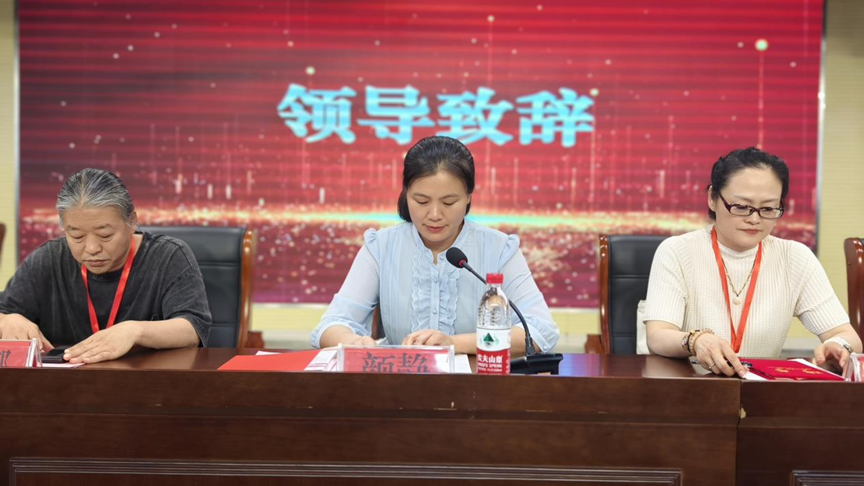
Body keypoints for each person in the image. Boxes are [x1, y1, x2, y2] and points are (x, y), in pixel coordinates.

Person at [310, 136, 559, 354]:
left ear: (469, 197)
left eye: (449, 202)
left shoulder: (499, 249)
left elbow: (541, 331)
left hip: (479, 385)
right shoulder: (381, 247)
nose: (435, 215)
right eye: (421, 201)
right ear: (406, 193)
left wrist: (455, 343)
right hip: (402, 384)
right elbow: (330, 325)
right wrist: (354, 342)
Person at [644, 147, 861, 377]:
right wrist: (696, 340)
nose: (754, 219)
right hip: (692, 387)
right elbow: (657, 336)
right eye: (741, 207)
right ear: (712, 198)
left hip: (762, 392)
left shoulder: (795, 257)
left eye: (768, 208)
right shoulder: (678, 251)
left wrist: (838, 345)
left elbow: (848, 337)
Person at [0, 168, 212, 364]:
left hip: (146, 382)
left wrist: (135, 331)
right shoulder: (48, 259)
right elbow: (4, 312)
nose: (92, 248)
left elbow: (192, 328)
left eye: (105, 235)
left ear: (132, 221)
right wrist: (7, 320)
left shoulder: (168, 256)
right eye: (77, 236)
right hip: (63, 385)